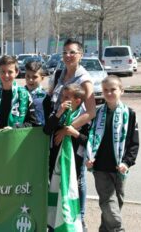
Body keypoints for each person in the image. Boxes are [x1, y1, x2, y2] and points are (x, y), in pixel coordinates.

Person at [86, 75, 139, 232]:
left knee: (116, 203)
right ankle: (118, 229)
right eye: (105, 90)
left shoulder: (129, 113)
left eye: (113, 90)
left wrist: (127, 162)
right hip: (100, 167)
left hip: (119, 168)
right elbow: (89, 138)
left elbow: (134, 142)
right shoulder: (97, 113)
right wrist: (89, 157)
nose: (109, 93)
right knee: (108, 201)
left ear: (121, 91)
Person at [43, 83, 90, 231]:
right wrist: (58, 113)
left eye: (67, 97)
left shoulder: (84, 118)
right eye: (63, 96)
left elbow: (89, 141)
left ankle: (76, 220)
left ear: (77, 100)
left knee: (71, 191)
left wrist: (74, 133)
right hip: (56, 162)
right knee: (55, 189)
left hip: (74, 163)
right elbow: (46, 130)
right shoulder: (59, 113)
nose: (63, 99)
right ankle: (53, 223)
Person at [49, 38, 96, 132]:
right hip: (55, 127)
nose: (67, 55)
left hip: (73, 132)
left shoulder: (84, 80)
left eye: (72, 52)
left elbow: (91, 112)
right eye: (65, 52)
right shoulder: (58, 75)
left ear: (81, 55)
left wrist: (66, 130)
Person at [0, 55, 37, 130]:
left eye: (10, 72)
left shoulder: (25, 95)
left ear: (16, 72)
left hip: (16, 139)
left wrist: (14, 128)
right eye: (3, 71)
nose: (6, 75)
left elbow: (33, 123)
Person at [24, 61, 48, 126]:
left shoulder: (45, 96)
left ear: (42, 78)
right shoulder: (20, 93)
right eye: (28, 76)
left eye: (34, 77)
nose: (30, 80)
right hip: (22, 129)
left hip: (39, 130)